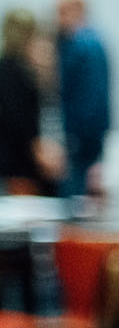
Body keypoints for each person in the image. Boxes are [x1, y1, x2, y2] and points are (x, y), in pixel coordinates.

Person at [51, 0, 110, 203]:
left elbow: (90, 96)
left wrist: (73, 134)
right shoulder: (93, 41)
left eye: (60, 12)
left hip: (81, 135)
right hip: (88, 133)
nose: (57, 19)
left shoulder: (82, 45)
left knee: (75, 197)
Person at [0, 10, 57, 197]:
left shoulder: (9, 68)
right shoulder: (16, 73)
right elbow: (20, 120)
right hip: (18, 163)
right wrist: (38, 149)